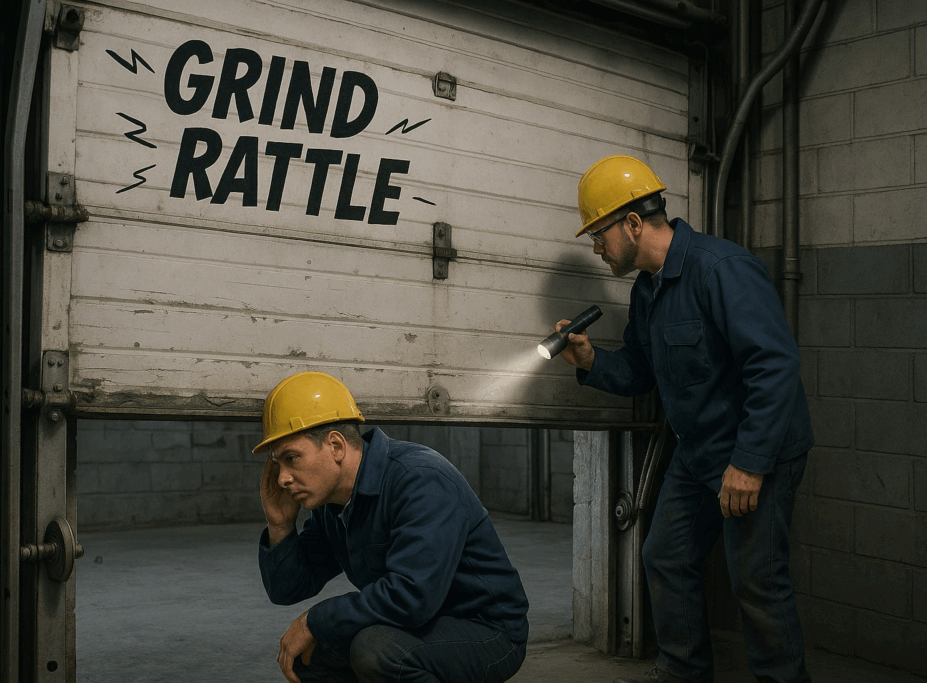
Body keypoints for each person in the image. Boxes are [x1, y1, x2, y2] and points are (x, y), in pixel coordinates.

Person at [555, 155, 815, 683]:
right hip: (699, 457)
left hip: (754, 452)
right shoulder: (647, 291)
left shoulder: (721, 270)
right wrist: (589, 361)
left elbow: (775, 365)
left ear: (633, 223)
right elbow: (639, 371)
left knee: (757, 583)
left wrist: (750, 462)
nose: (597, 247)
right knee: (666, 557)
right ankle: (683, 673)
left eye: (599, 233)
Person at [254, 371, 529, 683]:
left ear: (336, 446)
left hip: (486, 630)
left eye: (291, 458)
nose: (282, 478)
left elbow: (412, 597)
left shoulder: (420, 479)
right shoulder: (332, 506)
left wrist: (315, 620)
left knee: (377, 651)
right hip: (420, 624)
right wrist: (280, 526)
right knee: (308, 653)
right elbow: (289, 589)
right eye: (278, 464)